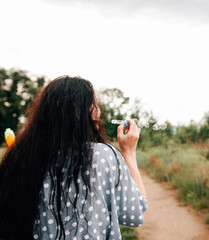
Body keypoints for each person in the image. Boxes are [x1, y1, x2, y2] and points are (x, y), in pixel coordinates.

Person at [0, 76, 147, 239]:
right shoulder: (102, 155)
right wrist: (129, 152)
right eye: (95, 105)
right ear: (86, 113)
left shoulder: (20, 158)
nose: (99, 111)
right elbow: (135, 212)